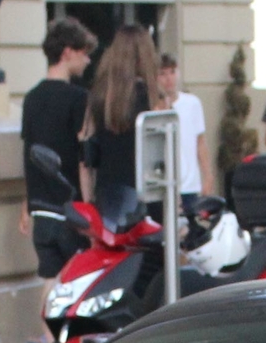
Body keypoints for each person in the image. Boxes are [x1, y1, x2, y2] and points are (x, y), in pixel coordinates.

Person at [21, 17, 95, 278]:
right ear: (67, 52)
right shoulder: (78, 98)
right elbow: (84, 157)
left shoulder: (31, 98)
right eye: (84, 53)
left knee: (50, 285)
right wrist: (89, 207)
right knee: (78, 283)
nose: (87, 60)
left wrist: (26, 205)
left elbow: (30, 151)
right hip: (70, 209)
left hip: (41, 209)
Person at [78, 24, 158, 210]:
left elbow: (86, 159)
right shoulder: (154, 98)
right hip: (150, 198)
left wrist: (89, 203)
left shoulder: (99, 97)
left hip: (109, 198)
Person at [155, 52, 209, 210]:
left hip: (189, 183)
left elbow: (200, 141)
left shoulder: (192, 103)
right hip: (165, 184)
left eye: (172, 72)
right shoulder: (153, 107)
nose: (169, 79)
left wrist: (208, 175)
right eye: (163, 74)